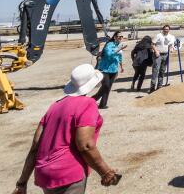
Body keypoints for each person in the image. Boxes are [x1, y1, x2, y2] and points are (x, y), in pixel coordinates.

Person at [13, 64, 119, 194]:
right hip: (67, 173)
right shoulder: (87, 104)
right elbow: (85, 145)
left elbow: (35, 146)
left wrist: (22, 183)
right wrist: (106, 172)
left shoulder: (55, 106)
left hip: (44, 174)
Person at [92, 32, 125, 109]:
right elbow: (109, 54)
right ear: (115, 37)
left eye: (122, 37)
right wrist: (119, 49)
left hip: (114, 69)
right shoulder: (109, 45)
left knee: (108, 87)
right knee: (106, 85)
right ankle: (93, 100)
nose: (121, 38)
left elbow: (119, 57)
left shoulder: (119, 45)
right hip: (105, 69)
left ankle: (102, 104)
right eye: (119, 37)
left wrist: (121, 66)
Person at [150, 25, 177, 92]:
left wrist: (171, 48)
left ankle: (159, 86)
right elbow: (152, 44)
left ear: (169, 30)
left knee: (162, 71)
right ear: (163, 29)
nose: (166, 30)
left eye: (167, 29)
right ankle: (152, 87)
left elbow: (171, 45)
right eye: (165, 29)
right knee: (155, 71)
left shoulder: (171, 37)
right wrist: (156, 51)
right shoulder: (158, 35)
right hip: (158, 55)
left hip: (166, 55)